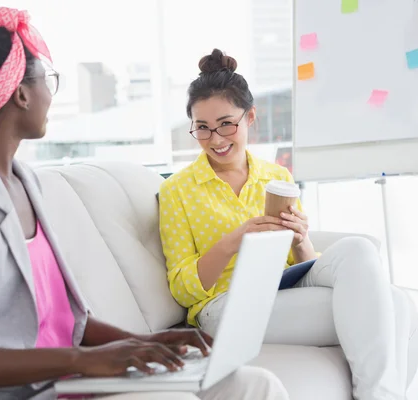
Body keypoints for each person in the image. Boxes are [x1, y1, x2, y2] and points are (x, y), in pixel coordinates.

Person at [0, 9, 289, 400]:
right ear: (22, 93)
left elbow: (65, 321)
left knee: (256, 385)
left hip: (76, 380)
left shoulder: (25, 182)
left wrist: (147, 343)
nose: (51, 92)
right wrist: (84, 360)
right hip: (29, 391)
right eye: (48, 79)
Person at [158, 48, 418, 400]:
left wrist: (299, 240)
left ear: (250, 117)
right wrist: (235, 240)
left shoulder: (275, 176)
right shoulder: (176, 190)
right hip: (225, 306)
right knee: (395, 306)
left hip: (284, 288)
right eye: (202, 128)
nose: (216, 139)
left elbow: (303, 262)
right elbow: (182, 289)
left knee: (360, 249)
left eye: (226, 124)